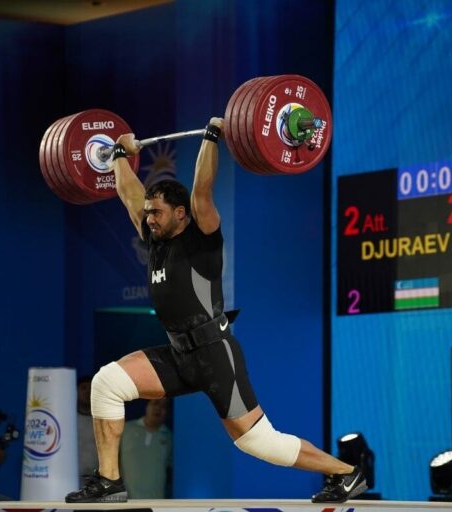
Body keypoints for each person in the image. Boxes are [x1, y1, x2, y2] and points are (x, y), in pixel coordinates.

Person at [65, 118, 366, 503]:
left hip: (214, 353)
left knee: (258, 442)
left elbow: (202, 189)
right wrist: (119, 153)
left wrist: (211, 137)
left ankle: (347, 472)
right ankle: (109, 482)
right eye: (149, 213)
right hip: (176, 353)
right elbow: (127, 193)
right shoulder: (153, 238)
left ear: (181, 213)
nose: (150, 218)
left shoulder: (202, 237)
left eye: (157, 212)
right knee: (106, 384)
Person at [119, 398, 172, 499]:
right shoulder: (126, 428)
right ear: (147, 406)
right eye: (155, 403)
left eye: (164, 406)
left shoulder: (169, 437)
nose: (158, 408)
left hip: (157, 501)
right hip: (127, 501)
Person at [76, 375, 98, 486]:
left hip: (94, 482)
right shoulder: (67, 420)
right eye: (83, 388)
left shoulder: (102, 421)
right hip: (70, 478)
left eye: (91, 389)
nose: (87, 392)